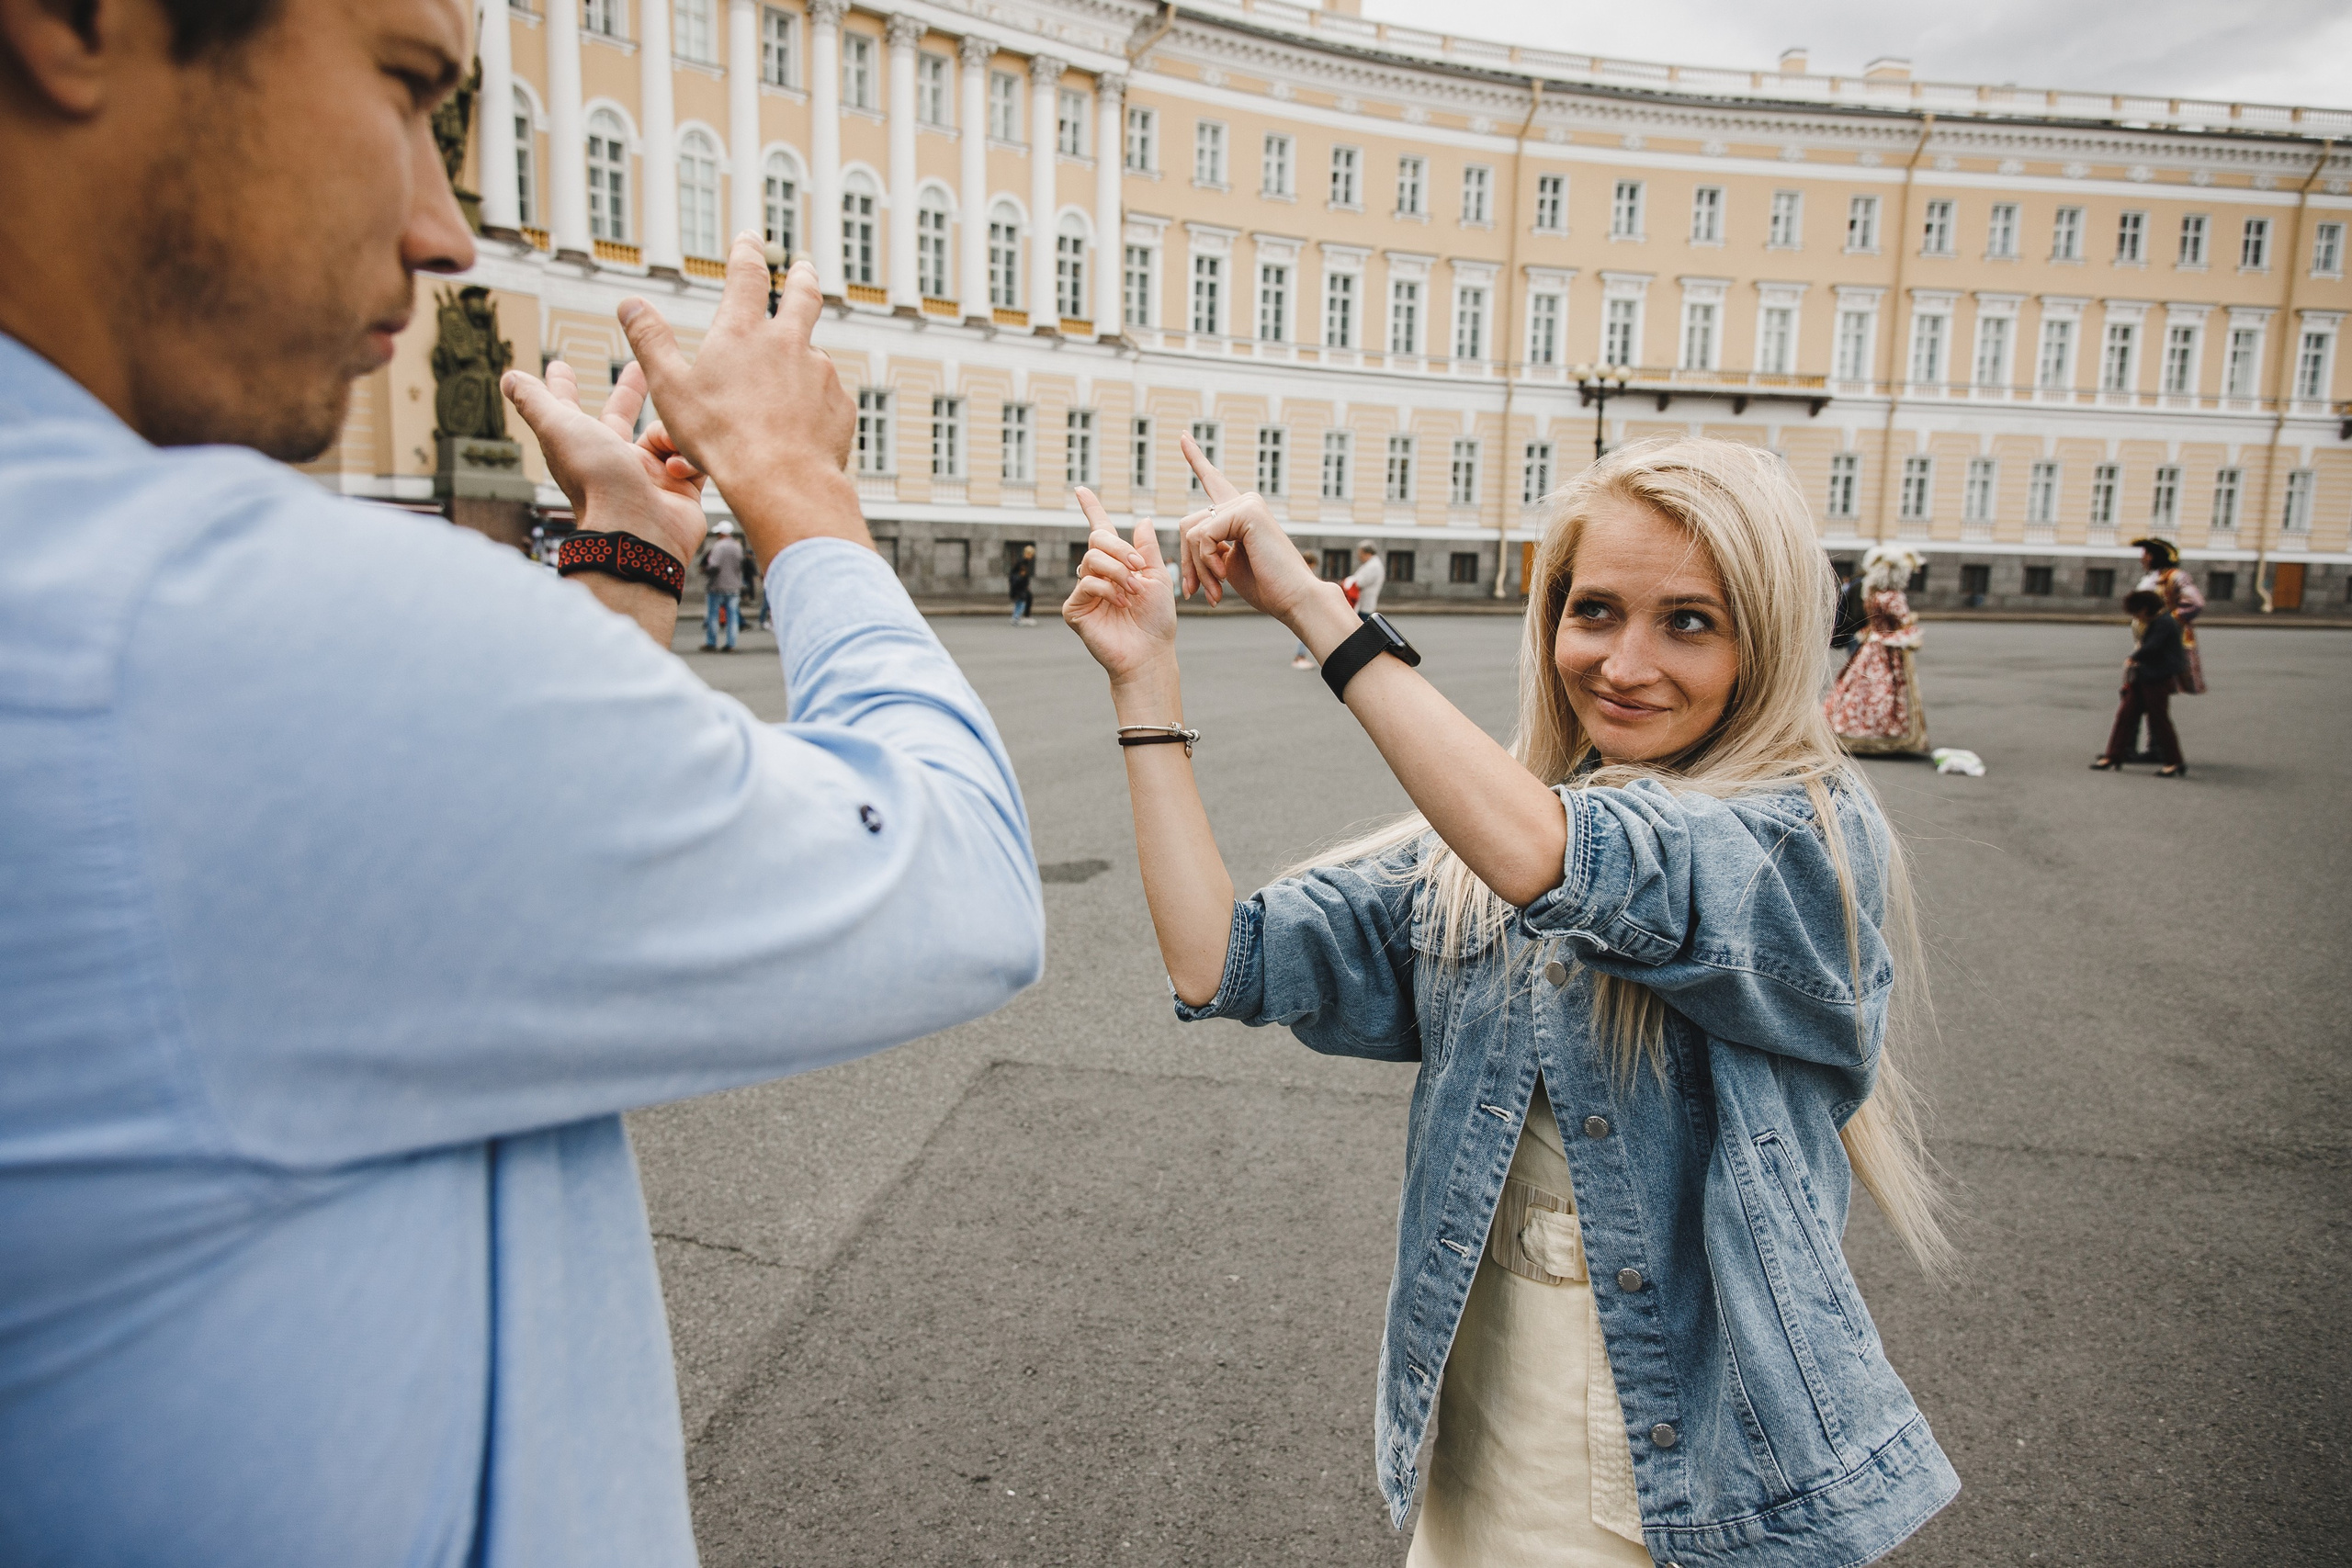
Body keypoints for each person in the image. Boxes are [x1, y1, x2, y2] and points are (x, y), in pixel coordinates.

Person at [0, 6, 1044, 1564]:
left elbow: (446, 918)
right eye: (407, 87)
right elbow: (959, 878)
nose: (441, 225)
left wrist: (619, 566)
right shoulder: (218, 628)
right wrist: (799, 487)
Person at [1063, 434, 1957, 1567]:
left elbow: (1566, 863)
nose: (1624, 663)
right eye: (1592, 612)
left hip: (1702, 1442)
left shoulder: (1798, 839)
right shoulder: (1488, 841)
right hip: (1491, 1397)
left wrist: (1308, 604)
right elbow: (1218, 961)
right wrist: (1144, 679)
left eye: (1689, 621)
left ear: (1768, 640)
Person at [1825, 543, 1929, 755]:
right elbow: (1903, 623)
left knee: (1859, 686)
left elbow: (1872, 621)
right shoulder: (1894, 597)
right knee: (1886, 689)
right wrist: (1911, 630)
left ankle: (1851, 726)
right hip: (1888, 649)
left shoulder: (1872, 595)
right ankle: (1884, 731)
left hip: (1871, 644)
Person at [2091, 590, 2188, 777]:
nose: (2136, 617)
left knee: (2159, 720)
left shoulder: (2164, 623)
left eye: (2136, 613)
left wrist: (2133, 658)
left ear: (2145, 609)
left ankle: (2174, 761)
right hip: (2145, 677)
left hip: (2157, 678)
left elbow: (2152, 647)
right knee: (2125, 716)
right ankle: (2113, 755)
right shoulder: (2160, 621)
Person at [701, 517, 746, 649]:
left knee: (713, 615)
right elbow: (740, 565)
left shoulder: (719, 546)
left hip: (717, 585)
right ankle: (731, 644)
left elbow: (714, 565)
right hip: (734, 586)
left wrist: (705, 570)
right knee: (732, 617)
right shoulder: (737, 546)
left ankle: (711, 642)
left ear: (721, 533)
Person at [1345, 539, 1385, 615]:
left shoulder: (1373, 566)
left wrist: (1348, 581)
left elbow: (1360, 582)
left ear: (1367, 553)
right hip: (1362, 604)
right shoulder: (1370, 564)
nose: (1359, 556)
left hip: (1365, 605)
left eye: (1360, 554)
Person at [1010, 542, 1038, 625]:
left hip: (1019, 586)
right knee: (1021, 603)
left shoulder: (1023, 562)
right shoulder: (1023, 563)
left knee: (1022, 601)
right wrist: (1024, 586)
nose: (1031, 556)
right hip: (1020, 587)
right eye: (1030, 554)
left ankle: (1018, 617)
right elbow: (1021, 576)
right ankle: (1016, 618)